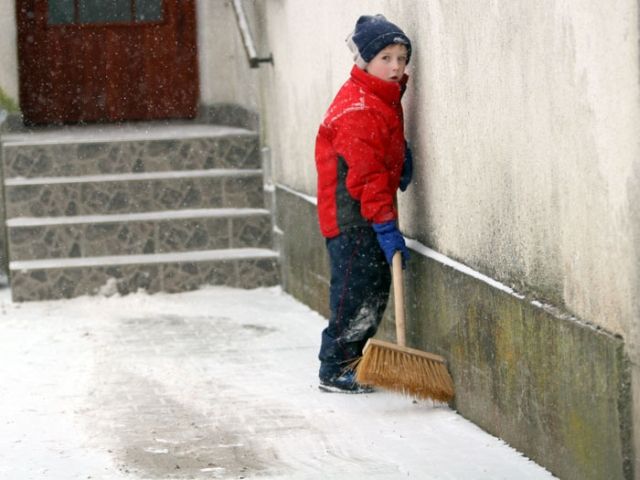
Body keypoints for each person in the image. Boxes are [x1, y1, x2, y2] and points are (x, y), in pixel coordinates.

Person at [315, 14, 413, 393]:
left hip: (366, 211)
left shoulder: (379, 96)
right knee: (355, 293)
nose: (395, 66)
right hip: (352, 217)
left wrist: (401, 159)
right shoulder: (358, 108)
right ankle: (335, 366)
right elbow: (366, 176)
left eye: (401, 58)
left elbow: (381, 149)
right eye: (386, 57)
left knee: (373, 289)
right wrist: (386, 226)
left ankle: (350, 360)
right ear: (365, 61)